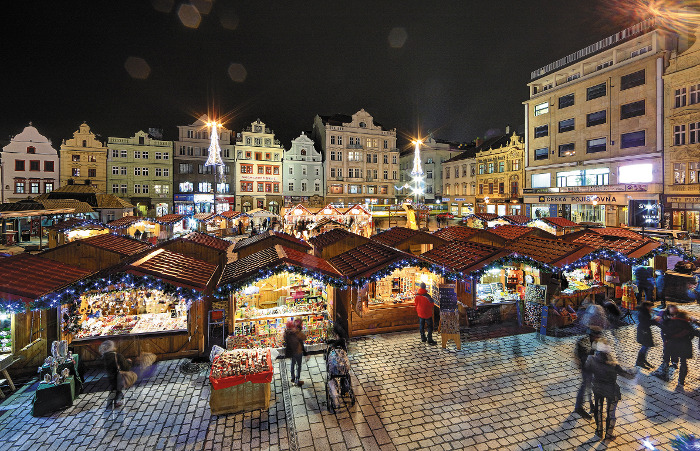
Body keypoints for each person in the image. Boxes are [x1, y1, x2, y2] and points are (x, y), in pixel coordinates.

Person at [585, 340, 635, 440]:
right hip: (611, 390)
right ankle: (608, 434)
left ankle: (599, 432)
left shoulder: (591, 359)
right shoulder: (613, 365)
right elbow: (627, 375)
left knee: (598, 409)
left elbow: (587, 373)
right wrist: (634, 371)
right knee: (610, 413)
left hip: (598, 388)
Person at [664, 310, 700, 388]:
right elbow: (695, 334)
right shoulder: (687, 325)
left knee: (669, 360)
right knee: (683, 362)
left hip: (673, 345)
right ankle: (681, 380)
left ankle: (665, 375)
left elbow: (665, 332)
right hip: (684, 346)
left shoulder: (671, 322)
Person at [574, 326, 602, 419]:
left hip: (591, 366)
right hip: (585, 366)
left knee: (589, 385)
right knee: (585, 384)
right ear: (592, 335)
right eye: (597, 336)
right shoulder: (584, 342)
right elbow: (583, 356)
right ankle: (579, 407)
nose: (598, 338)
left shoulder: (594, 341)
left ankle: (591, 405)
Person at [100, 340, 132, 407]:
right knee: (117, 390)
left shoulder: (103, 357)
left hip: (109, 377)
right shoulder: (117, 356)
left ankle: (111, 403)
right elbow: (125, 367)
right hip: (117, 376)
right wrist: (128, 362)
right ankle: (114, 403)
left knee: (114, 389)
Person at [284, 319, 306, 386]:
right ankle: (297, 379)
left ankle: (292, 377)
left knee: (292, 364)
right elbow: (304, 337)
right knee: (299, 365)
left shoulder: (287, 333)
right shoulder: (296, 333)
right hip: (298, 351)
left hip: (292, 351)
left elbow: (285, 340)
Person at [635, 301, 655, 369]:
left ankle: (643, 359)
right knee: (645, 346)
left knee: (646, 346)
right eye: (650, 307)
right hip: (643, 331)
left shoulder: (645, 312)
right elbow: (647, 322)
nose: (651, 308)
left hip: (645, 330)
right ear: (646, 307)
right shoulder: (643, 313)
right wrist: (655, 320)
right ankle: (639, 361)